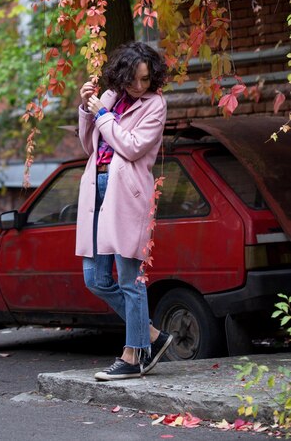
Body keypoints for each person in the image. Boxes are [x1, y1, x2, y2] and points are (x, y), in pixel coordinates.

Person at [76, 40, 173, 381]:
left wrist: (101, 115)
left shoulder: (155, 105)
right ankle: (151, 336)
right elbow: (91, 145)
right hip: (97, 189)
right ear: (121, 75)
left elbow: (130, 148)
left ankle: (132, 356)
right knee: (96, 279)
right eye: (134, 79)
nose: (139, 85)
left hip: (126, 194)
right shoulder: (110, 98)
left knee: (129, 280)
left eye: (146, 79)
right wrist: (87, 110)